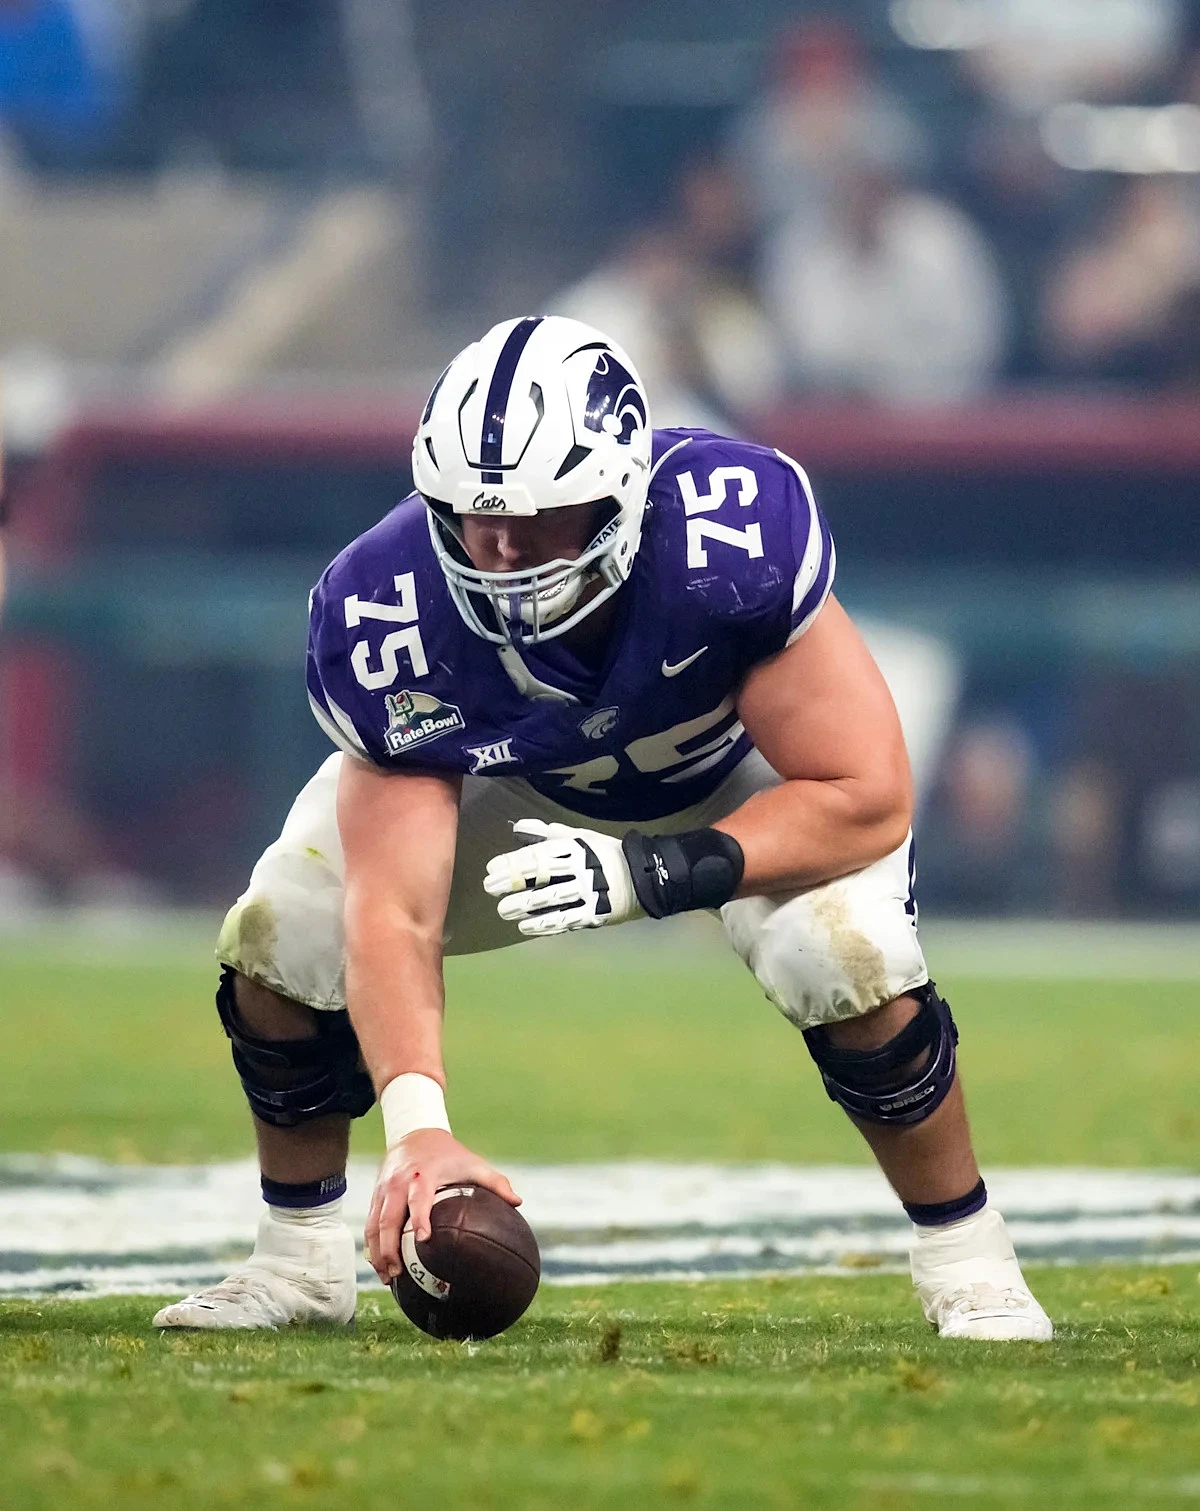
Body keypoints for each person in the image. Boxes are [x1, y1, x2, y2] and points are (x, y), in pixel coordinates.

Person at [154, 315, 1051, 1341]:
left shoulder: (725, 535)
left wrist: (650, 871)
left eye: (537, 518)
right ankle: (299, 1256)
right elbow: (391, 909)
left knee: (843, 950)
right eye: (474, 516)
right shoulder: (387, 607)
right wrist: (420, 1133)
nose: (500, 549)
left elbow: (865, 792)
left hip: (740, 781)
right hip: (521, 790)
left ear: (617, 494)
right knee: (284, 923)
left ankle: (967, 1252)